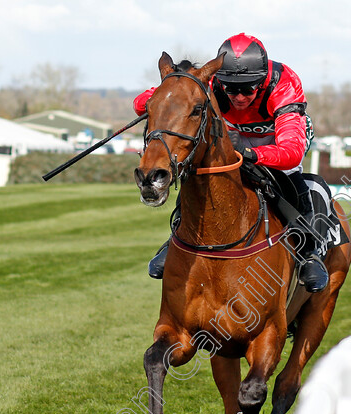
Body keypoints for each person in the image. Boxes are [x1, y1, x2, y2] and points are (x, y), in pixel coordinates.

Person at [133, 33, 330, 292]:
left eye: (248, 89)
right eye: (231, 89)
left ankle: (310, 252)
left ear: (261, 81)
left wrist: (249, 153)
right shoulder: (211, 78)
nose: (239, 97)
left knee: (291, 175)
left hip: (276, 137)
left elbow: (290, 152)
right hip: (232, 134)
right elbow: (141, 104)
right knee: (200, 173)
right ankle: (175, 239)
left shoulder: (284, 82)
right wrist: (172, 85)